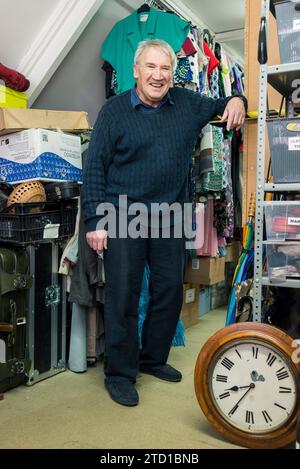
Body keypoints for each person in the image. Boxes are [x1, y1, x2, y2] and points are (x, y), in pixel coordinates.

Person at [82, 39, 247, 407]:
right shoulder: (113, 111)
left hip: (171, 215)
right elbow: (94, 167)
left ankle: (153, 359)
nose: (158, 76)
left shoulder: (187, 104)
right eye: (151, 67)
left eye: (165, 68)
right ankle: (121, 373)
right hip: (122, 214)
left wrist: (239, 101)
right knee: (122, 295)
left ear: (173, 73)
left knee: (169, 291)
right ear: (136, 70)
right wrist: (94, 219)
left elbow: (226, 104)